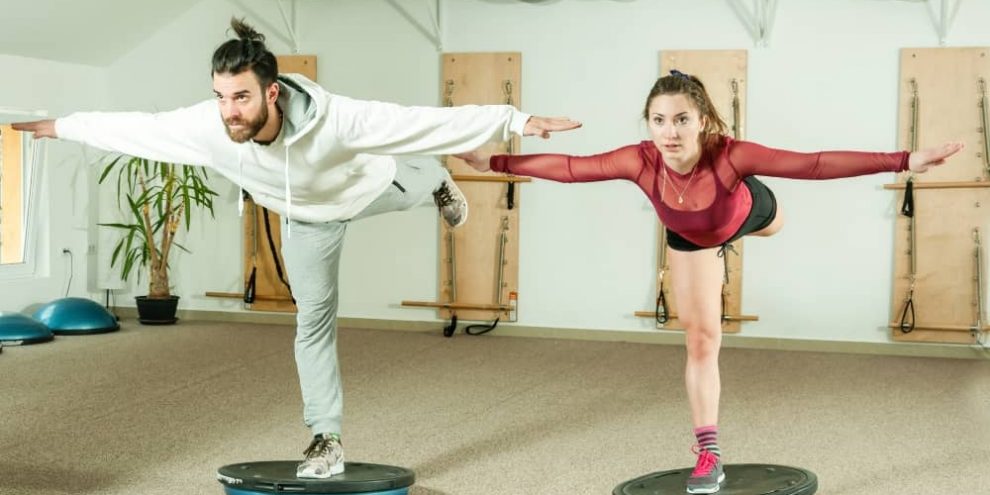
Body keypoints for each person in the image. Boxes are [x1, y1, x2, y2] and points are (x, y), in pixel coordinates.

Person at [13, 17, 580, 479]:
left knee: (416, 173)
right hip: (307, 217)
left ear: (272, 92)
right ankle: (325, 438)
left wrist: (517, 118)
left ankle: (435, 182)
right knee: (313, 321)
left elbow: (419, 120)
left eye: (240, 97)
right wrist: (62, 126)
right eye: (220, 97)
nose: (228, 110)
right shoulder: (210, 127)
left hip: (369, 185)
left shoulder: (340, 121)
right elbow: (142, 128)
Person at [455, 70, 962, 494]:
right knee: (701, 340)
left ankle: (748, 225)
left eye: (680, 119)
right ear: (648, 124)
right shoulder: (641, 160)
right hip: (691, 239)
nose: (669, 132)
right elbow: (569, 168)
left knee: (774, 223)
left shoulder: (731, 155)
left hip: (750, 211)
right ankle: (708, 453)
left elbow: (813, 164)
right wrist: (493, 161)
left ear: (703, 121)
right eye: (658, 120)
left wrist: (905, 161)